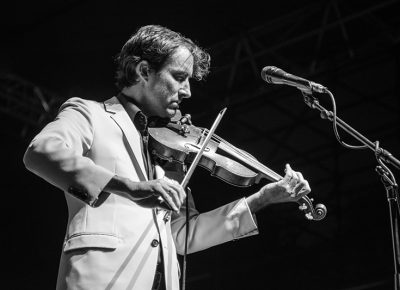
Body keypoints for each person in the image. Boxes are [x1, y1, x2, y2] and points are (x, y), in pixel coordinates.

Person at [23, 25, 311, 290]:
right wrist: (130, 188)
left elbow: (182, 234)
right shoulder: (90, 114)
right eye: (179, 77)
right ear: (144, 70)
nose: (186, 91)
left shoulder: (168, 150)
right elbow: (41, 152)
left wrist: (261, 199)